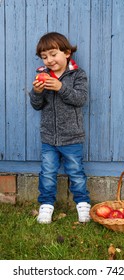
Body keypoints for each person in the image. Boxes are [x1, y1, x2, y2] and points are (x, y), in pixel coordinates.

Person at [29, 32, 91, 224]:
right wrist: (37, 92)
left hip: (72, 136)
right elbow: (36, 105)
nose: (49, 60)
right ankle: (46, 206)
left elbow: (80, 99)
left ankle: (83, 205)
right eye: (44, 56)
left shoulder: (77, 75)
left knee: (76, 172)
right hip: (49, 137)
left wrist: (60, 87)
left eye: (53, 54)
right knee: (47, 173)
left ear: (66, 53)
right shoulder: (42, 75)